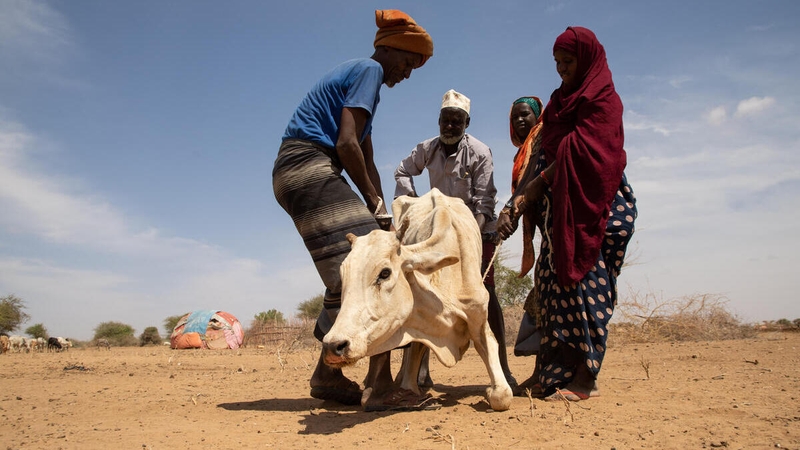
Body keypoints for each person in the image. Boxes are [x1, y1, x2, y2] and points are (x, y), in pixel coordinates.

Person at [272, 9, 433, 406]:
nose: (407, 74)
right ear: (392, 50)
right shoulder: (369, 72)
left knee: (349, 271)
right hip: (307, 164)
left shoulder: (366, 88)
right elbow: (346, 144)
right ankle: (377, 385)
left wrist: (382, 214)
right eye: (409, 63)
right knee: (371, 262)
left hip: (301, 169)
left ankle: (329, 374)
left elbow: (364, 155)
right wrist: (376, 206)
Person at [499, 26, 637, 402]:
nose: (561, 69)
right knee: (549, 285)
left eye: (569, 61)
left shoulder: (604, 101)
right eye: (557, 62)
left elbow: (588, 152)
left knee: (584, 289)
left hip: (596, 211)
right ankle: (549, 374)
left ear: (587, 60)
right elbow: (546, 153)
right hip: (561, 218)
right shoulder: (559, 102)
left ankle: (583, 378)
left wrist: (540, 182)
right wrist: (522, 200)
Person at [394, 89, 517, 390]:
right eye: (445, 120)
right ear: (438, 121)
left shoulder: (479, 152)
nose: (449, 127)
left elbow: (484, 202)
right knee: (422, 295)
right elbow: (402, 170)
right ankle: (417, 372)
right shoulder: (427, 148)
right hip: (435, 232)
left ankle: (503, 370)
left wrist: (467, 242)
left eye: (456, 122)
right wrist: (413, 203)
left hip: (475, 230)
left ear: (467, 123)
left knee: (484, 295)